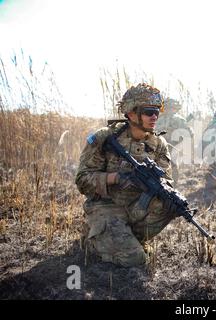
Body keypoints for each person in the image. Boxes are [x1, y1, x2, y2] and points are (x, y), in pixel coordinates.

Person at [75, 83, 177, 268]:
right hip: (106, 206)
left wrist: (159, 188)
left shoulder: (158, 143)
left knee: (169, 204)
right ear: (131, 113)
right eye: (148, 112)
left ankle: (123, 239)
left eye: (156, 112)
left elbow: (167, 180)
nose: (154, 117)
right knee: (135, 259)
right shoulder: (105, 138)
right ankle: (93, 239)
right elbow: (82, 180)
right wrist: (116, 178)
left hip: (136, 205)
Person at [156, 98, 193, 185]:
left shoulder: (157, 119)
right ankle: (172, 188)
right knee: (173, 168)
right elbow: (189, 133)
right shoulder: (179, 119)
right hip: (172, 147)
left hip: (157, 147)